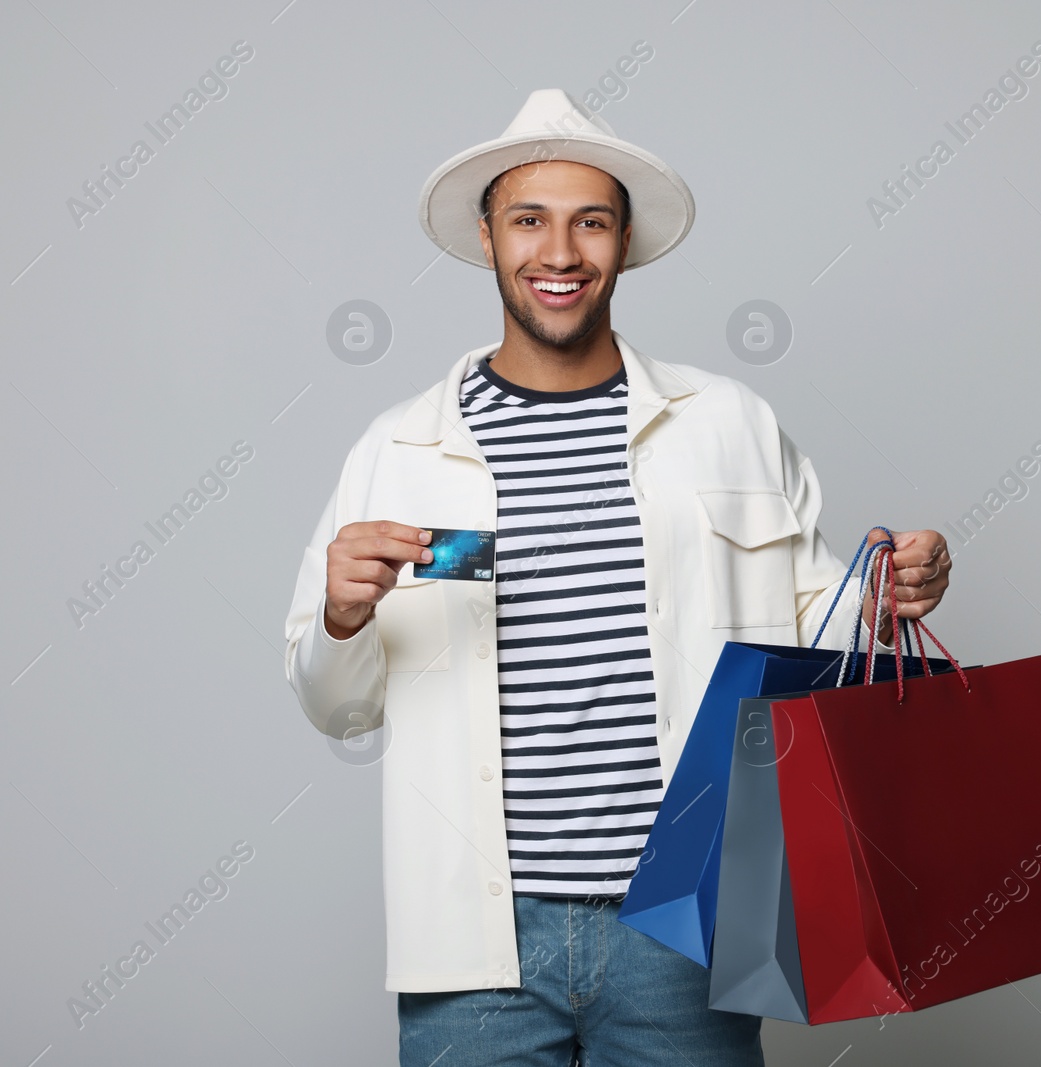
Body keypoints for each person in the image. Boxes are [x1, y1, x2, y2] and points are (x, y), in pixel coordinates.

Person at [283, 88, 953, 1067]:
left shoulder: (726, 423)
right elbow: (338, 710)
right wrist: (341, 616)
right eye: (529, 220)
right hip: (475, 938)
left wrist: (890, 591)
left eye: (589, 221)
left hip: (681, 920)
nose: (559, 252)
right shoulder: (401, 450)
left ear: (623, 241)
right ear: (486, 238)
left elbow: (817, 643)